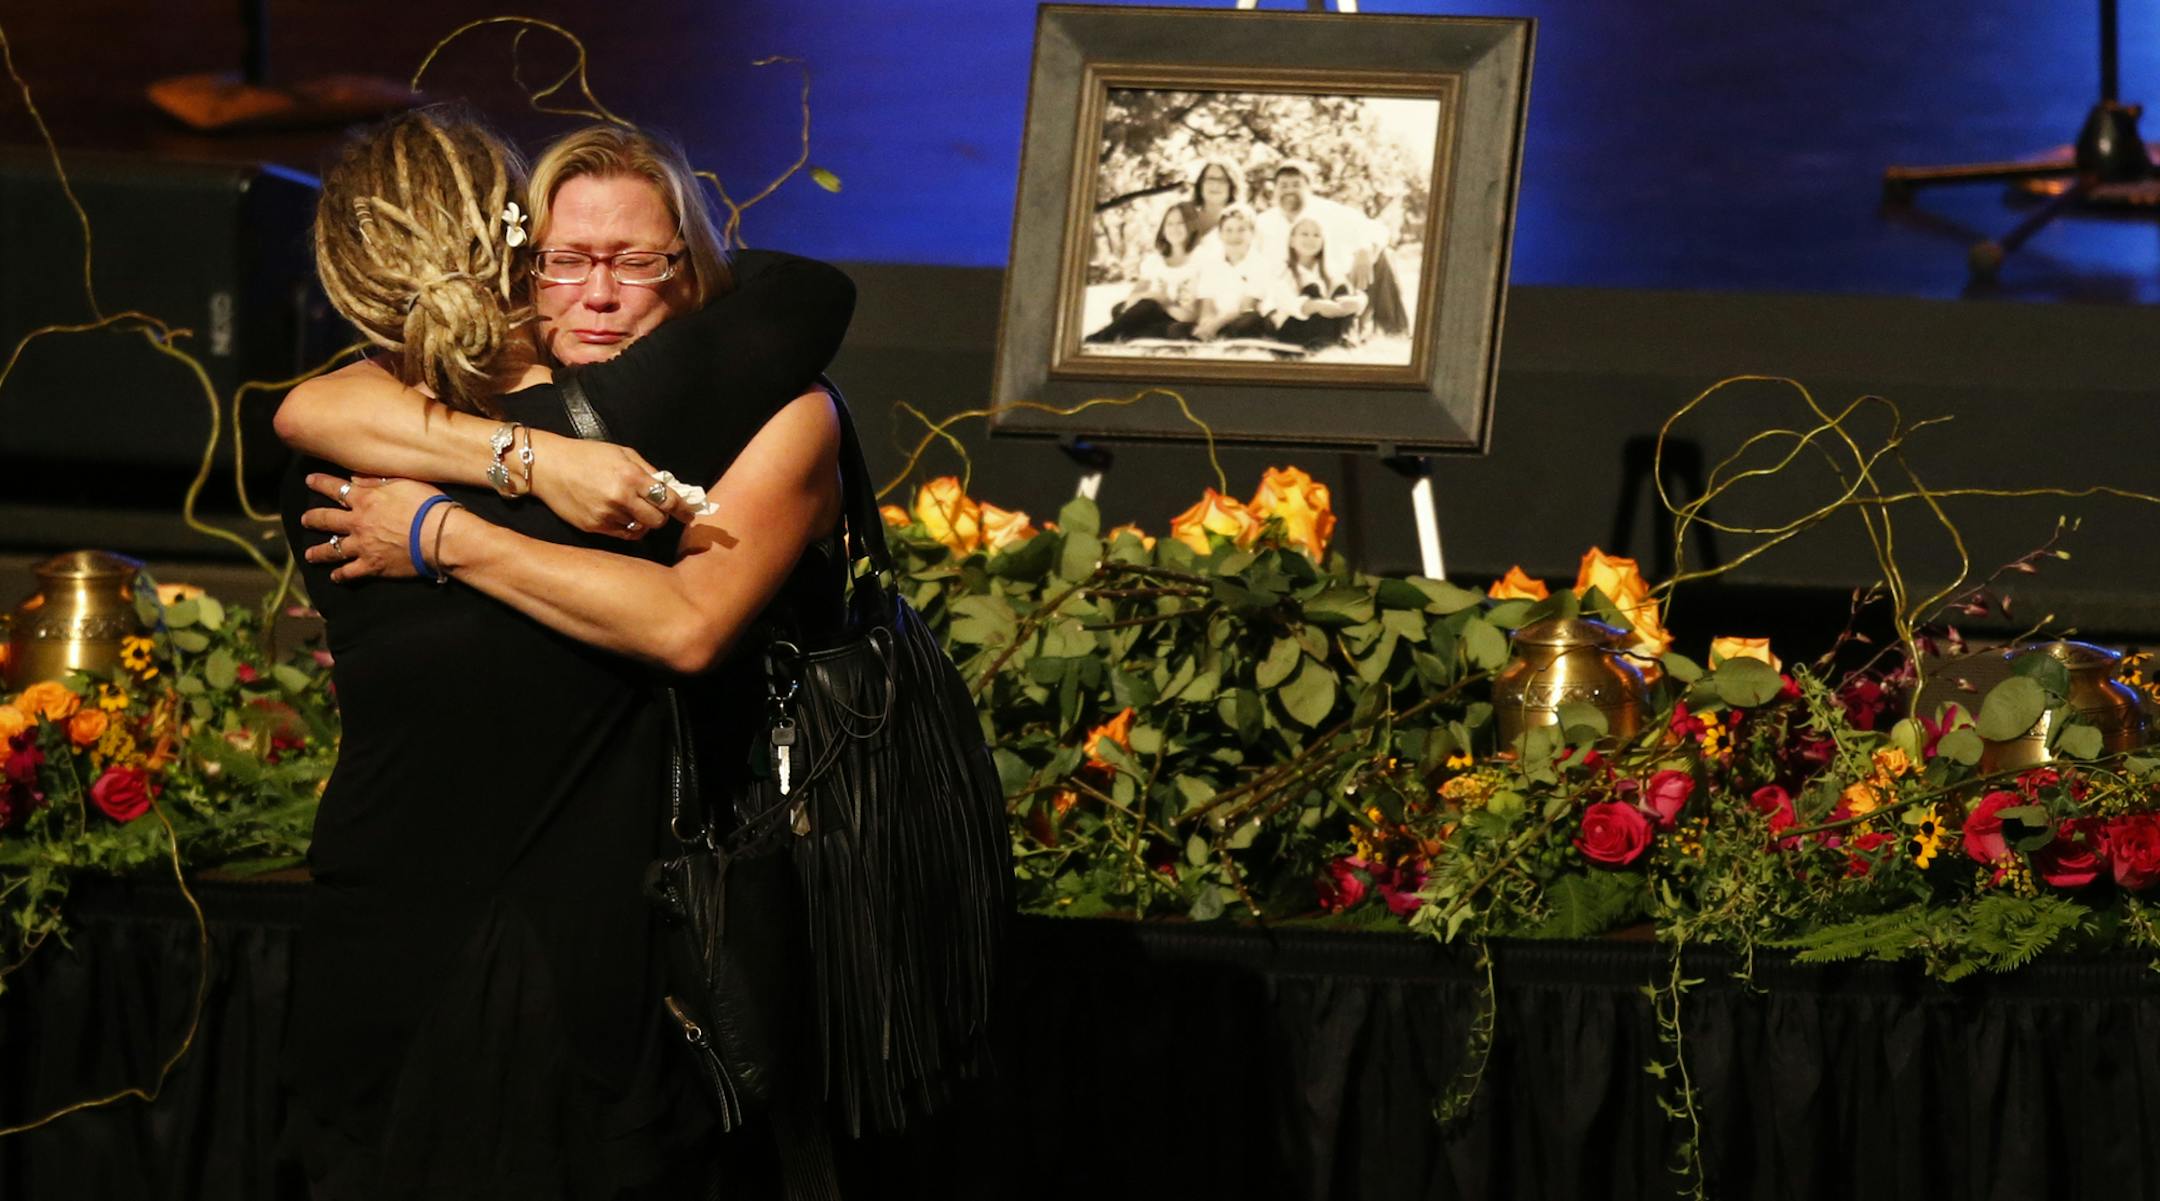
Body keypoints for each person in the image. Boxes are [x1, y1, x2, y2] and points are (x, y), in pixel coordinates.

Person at [273, 109, 854, 1200]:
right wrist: (522, 455)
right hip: (418, 931)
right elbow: (308, 406)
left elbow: (687, 622)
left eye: (638, 260)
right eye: (567, 261)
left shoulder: (697, 410)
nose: (599, 292)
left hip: (585, 942)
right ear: (516, 262)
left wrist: (444, 532)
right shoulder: (423, 419)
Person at [1252, 159, 1408, 336]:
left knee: (1383, 255)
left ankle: (1394, 331)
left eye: (1296, 185)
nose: (1289, 190)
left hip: (1329, 288)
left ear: (1309, 189)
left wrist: (1364, 250)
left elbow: (1378, 230)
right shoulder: (1263, 222)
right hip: (1285, 294)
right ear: (1274, 189)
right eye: (1283, 185)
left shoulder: (1329, 211)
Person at [1083, 200, 1201, 344]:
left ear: (1192, 225)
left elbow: (1193, 314)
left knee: (1165, 320)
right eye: (1169, 223)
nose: (1174, 228)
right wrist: (1154, 296)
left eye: (1180, 223)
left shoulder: (1199, 261)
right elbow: (1132, 299)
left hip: (1178, 316)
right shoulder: (1154, 261)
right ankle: (1122, 333)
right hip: (1149, 313)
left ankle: (1105, 336)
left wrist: (1164, 302)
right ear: (1163, 228)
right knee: (1122, 308)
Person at [1263, 215, 1367, 351]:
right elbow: (1291, 305)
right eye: (1304, 234)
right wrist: (1321, 306)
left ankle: (1345, 339)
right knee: (1313, 289)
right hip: (1292, 330)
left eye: (1316, 235)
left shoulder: (1330, 270)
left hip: (1325, 321)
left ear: (1323, 241)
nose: (1310, 239)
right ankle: (1323, 343)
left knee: (1342, 289)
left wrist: (1359, 302)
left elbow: (1355, 295)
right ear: (1292, 241)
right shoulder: (1281, 271)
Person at [1188, 204, 1275, 342]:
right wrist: (1206, 323)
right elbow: (1207, 306)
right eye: (1228, 230)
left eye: (1241, 230)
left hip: (1241, 318)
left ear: (1252, 233)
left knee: (1250, 320)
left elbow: (1247, 306)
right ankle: (1211, 337)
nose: (1234, 236)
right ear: (1220, 234)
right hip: (1217, 320)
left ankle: (1221, 337)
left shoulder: (1261, 264)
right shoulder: (1211, 264)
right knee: (1178, 329)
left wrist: (1215, 325)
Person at [1186, 157, 1241, 246]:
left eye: (1222, 180)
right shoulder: (1184, 218)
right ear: (1200, 184)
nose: (1215, 185)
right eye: (1210, 179)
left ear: (1231, 186)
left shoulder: (1241, 223)